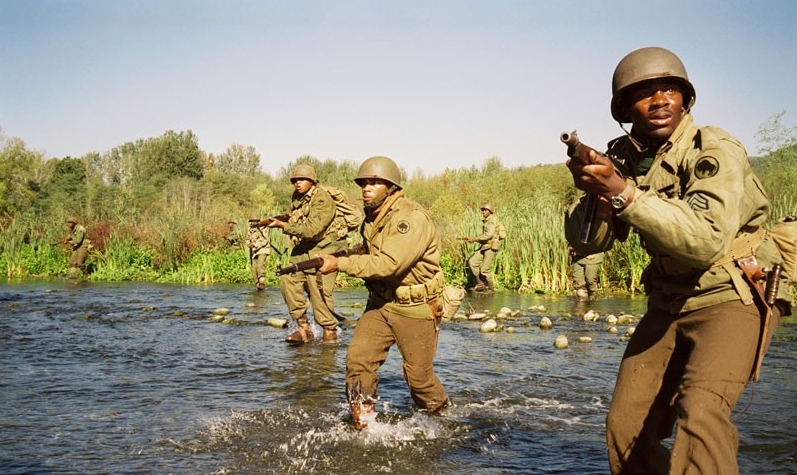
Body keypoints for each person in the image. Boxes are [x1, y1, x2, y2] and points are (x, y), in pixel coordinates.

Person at [564, 46, 792, 474]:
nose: (659, 100)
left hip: (733, 293)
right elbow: (588, 245)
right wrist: (596, 192)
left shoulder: (714, 149)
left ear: (685, 98)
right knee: (625, 426)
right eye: (644, 93)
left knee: (701, 413)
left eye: (669, 89)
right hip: (669, 300)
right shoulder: (626, 159)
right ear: (625, 110)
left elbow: (705, 241)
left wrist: (623, 193)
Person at [317, 156, 450, 430]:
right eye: (363, 183)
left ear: (391, 187)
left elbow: (389, 264)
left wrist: (340, 264)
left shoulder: (409, 218)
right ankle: (364, 423)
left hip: (415, 306)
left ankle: (446, 418)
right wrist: (346, 254)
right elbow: (372, 250)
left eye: (374, 182)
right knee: (358, 362)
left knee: (419, 380)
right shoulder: (373, 214)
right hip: (381, 303)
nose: (366, 188)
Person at [267, 164, 345, 343]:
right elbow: (294, 216)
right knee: (288, 277)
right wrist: (279, 219)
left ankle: (330, 333)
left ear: (312, 181)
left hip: (326, 249)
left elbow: (311, 230)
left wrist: (283, 226)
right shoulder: (298, 197)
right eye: (295, 180)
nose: (297, 183)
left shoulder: (322, 199)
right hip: (305, 248)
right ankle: (304, 328)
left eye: (302, 179)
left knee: (319, 292)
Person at [465, 203, 501, 293]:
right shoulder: (486, 220)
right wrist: (475, 239)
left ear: (490, 212)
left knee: (484, 270)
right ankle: (480, 283)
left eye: (486, 210)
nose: (483, 212)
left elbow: (489, 235)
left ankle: (491, 289)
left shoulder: (492, 220)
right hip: (485, 246)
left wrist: (475, 239)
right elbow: (485, 236)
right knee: (472, 262)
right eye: (483, 210)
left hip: (491, 247)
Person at [246, 215, 270, 290]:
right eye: (252, 221)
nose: (253, 223)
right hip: (254, 251)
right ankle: (257, 284)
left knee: (260, 265)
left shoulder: (263, 228)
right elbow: (247, 239)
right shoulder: (250, 229)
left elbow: (265, 240)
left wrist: (255, 245)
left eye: (254, 221)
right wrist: (249, 244)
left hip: (262, 250)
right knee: (254, 269)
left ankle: (261, 282)